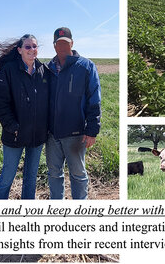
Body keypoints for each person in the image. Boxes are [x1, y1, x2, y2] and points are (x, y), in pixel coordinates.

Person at [46, 27, 101, 200]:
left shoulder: (85, 66)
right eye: (58, 44)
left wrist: (92, 130)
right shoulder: (48, 69)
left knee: (78, 175)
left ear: (72, 43)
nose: (62, 47)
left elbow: (94, 99)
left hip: (75, 133)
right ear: (54, 46)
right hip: (52, 134)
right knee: (54, 174)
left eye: (65, 43)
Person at [0, 34, 48, 199]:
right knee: (7, 177)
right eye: (28, 47)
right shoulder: (8, 71)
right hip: (14, 136)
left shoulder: (44, 71)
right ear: (20, 50)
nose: (32, 50)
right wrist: (14, 127)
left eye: (35, 46)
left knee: (30, 179)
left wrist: (46, 128)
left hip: (37, 136)